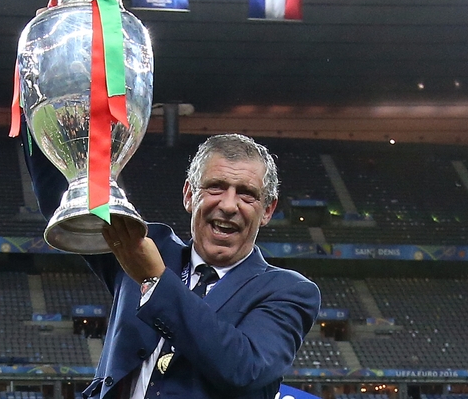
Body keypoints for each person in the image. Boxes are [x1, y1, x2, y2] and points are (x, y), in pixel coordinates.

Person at [23, 132, 321, 399]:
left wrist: (155, 279)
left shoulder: (289, 291)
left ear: (268, 210)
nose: (229, 206)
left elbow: (244, 368)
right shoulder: (142, 243)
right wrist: (38, 103)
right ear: (190, 195)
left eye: (247, 194)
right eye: (216, 187)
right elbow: (63, 196)